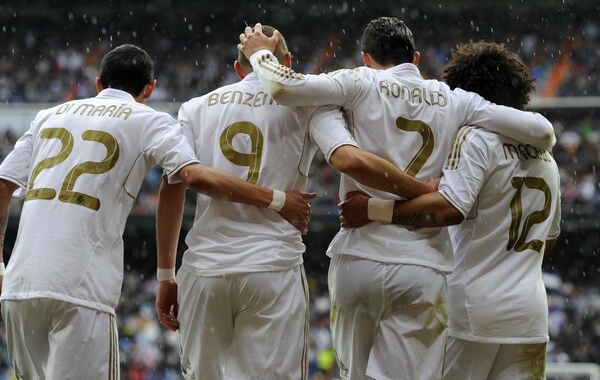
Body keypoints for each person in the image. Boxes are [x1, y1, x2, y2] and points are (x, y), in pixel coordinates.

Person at [239, 19, 557, 380]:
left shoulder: (358, 79)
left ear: (366, 57)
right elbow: (542, 131)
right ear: (416, 58)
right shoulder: (455, 100)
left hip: (358, 256)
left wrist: (259, 53)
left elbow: (282, 87)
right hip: (423, 266)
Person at [0, 44, 312, 380]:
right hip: (80, 288)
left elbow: (4, 185)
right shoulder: (150, 120)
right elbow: (190, 176)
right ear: (150, 88)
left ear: (98, 84)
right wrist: (277, 199)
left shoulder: (48, 116)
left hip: (19, 288)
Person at [155, 25, 436, 380]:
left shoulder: (194, 109)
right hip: (272, 266)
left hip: (205, 269)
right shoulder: (307, 104)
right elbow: (347, 158)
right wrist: (422, 190)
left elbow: (173, 186)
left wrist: (166, 275)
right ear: (287, 62)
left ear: (237, 68)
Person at [339, 41, 561, 380]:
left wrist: (372, 210)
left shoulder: (475, 138)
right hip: (529, 314)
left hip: (470, 311)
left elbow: (448, 210)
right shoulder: (548, 160)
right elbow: (549, 240)